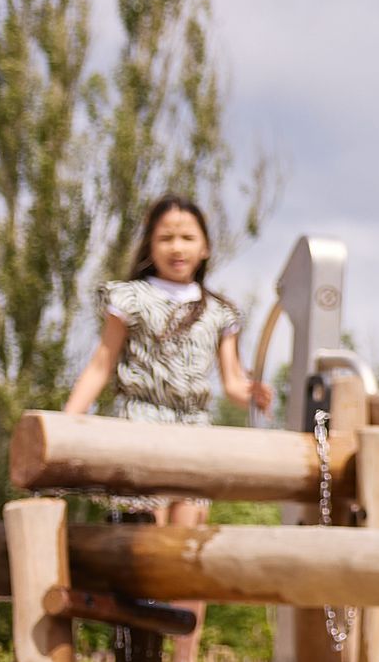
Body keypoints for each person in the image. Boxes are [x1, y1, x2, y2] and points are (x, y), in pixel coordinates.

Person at [61, 195, 273, 523]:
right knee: (145, 529)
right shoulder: (130, 297)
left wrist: (253, 394)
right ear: (149, 246)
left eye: (187, 238)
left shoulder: (220, 311)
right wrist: (66, 424)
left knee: (186, 534)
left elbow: (233, 383)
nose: (177, 248)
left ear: (205, 248)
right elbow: (101, 365)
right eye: (166, 238)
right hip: (141, 422)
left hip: (194, 429)